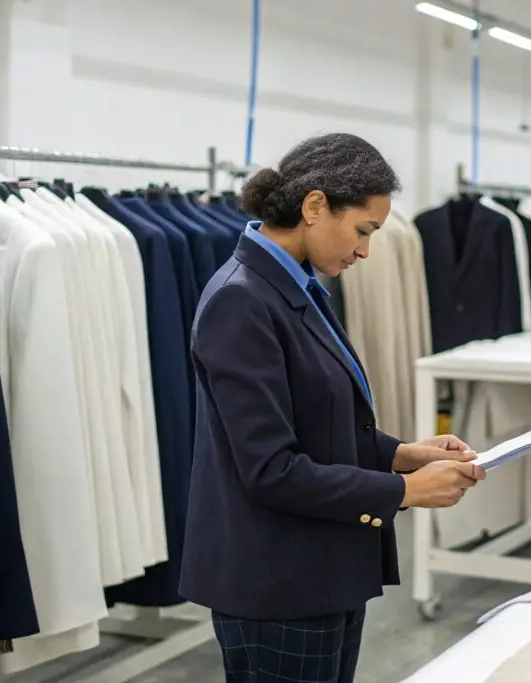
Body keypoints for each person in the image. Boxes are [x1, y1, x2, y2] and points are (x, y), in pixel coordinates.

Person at [179, 132, 486, 683]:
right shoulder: (241, 300)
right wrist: (406, 492)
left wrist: (403, 455)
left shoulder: (295, 287)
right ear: (315, 206)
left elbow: (322, 424)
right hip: (278, 580)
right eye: (363, 231)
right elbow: (271, 470)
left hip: (320, 563)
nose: (366, 251)